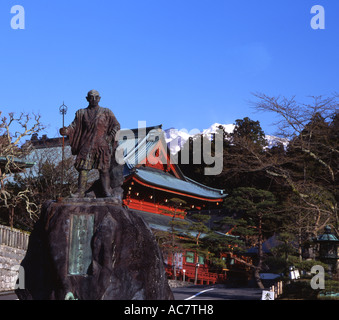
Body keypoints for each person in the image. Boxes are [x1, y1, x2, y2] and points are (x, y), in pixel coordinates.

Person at [60, 90, 120, 198]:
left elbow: (116, 125)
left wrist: (110, 137)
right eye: (91, 97)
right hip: (87, 144)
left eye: (96, 97)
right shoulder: (81, 113)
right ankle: (80, 192)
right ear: (87, 99)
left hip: (102, 144)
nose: (94, 99)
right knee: (83, 169)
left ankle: (106, 191)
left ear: (99, 99)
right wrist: (66, 131)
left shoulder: (106, 112)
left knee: (104, 169)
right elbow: (73, 126)